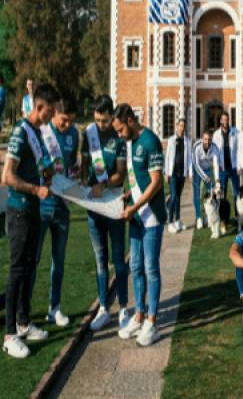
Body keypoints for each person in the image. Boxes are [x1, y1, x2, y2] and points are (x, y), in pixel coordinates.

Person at [2, 83, 59, 359]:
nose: (52, 116)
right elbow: (8, 176)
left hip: (33, 210)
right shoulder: (20, 132)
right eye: (50, 111)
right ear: (39, 107)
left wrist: (45, 175)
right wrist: (36, 189)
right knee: (17, 271)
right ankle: (10, 334)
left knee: (28, 267)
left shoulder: (36, 133)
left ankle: (23, 323)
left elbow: (39, 169)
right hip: (19, 210)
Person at [113, 104, 166, 347]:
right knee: (135, 265)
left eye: (121, 128)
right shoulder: (129, 142)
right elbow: (136, 178)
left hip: (150, 215)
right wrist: (128, 197)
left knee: (150, 267)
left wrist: (135, 207)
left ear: (131, 120)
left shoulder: (150, 141)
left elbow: (155, 183)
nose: (119, 133)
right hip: (136, 214)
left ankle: (152, 322)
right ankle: (139, 315)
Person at [81, 94, 128, 332]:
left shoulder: (118, 137)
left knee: (119, 260)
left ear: (112, 116)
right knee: (100, 260)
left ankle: (123, 308)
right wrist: (80, 184)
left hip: (113, 202)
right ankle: (102, 309)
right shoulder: (88, 135)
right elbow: (84, 166)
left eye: (105, 120)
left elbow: (121, 174)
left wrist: (103, 185)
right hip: (94, 207)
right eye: (98, 120)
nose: (101, 125)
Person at [31, 96, 80, 327]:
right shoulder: (41, 132)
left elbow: (72, 164)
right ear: (54, 114)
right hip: (42, 206)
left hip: (62, 206)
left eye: (70, 121)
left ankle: (55, 308)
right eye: (64, 120)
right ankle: (25, 313)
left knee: (58, 261)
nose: (67, 125)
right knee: (33, 259)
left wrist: (75, 173)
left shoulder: (74, 134)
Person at [164, 118, 192, 234]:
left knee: (178, 198)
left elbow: (189, 158)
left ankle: (178, 220)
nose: (182, 128)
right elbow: (167, 156)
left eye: (183, 126)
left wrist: (190, 173)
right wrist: (166, 172)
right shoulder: (171, 140)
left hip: (182, 173)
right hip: (173, 173)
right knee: (174, 196)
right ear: (177, 127)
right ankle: (170, 222)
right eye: (180, 125)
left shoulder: (188, 141)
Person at [192, 131, 221, 229]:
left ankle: (210, 217)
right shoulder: (196, 146)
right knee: (197, 194)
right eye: (205, 139)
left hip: (208, 168)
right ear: (202, 139)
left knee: (212, 192)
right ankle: (199, 217)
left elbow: (216, 164)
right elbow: (195, 164)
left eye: (209, 139)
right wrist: (205, 177)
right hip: (197, 170)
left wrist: (217, 180)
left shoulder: (214, 147)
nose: (207, 141)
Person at [212, 111, 240, 209]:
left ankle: (238, 216)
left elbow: (239, 149)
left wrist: (239, 166)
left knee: (237, 193)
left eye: (227, 120)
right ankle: (222, 218)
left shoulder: (235, 132)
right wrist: (216, 177)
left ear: (229, 121)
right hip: (222, 169)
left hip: (234, 168)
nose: (225, 122)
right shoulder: (216, 135)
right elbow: (215, 155)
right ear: (220, 121)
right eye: (223, 120)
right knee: (221, 194)